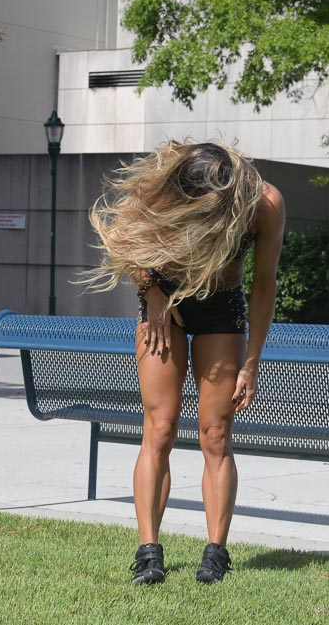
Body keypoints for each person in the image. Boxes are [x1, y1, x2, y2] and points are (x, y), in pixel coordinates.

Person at [85, 140, 285, 584]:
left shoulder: (264, 203)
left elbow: (264, 285)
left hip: (221, 308)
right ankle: (148, 553)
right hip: (164, 301)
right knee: (160, 428)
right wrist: (151, 291)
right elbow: (128, 243)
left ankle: (215, 554)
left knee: (216, 432)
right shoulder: (166, 189)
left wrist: (252, 363)